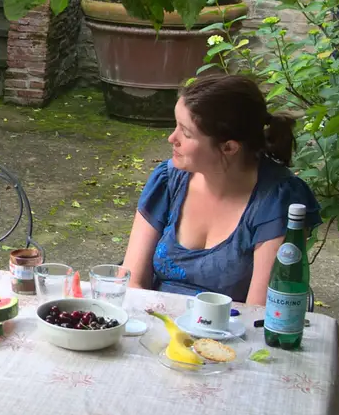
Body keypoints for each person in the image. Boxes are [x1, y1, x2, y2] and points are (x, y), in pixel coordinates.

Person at [120, 74, 320, 306]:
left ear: (229, 147)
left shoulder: (278, 200)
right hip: (157, 324)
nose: (171, 138)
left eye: (185, 133)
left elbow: (259, 313)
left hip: (231, 335)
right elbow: (131, 282)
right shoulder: (167, 180)